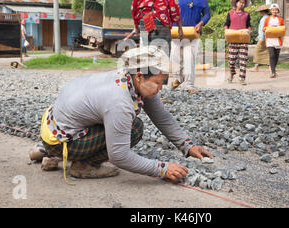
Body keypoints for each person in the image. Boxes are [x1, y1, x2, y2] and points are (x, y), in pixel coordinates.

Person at [29, 46, 213, 184]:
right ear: (140, 76)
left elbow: (161, 116)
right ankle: (81, 166)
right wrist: (162, 169)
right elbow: (119, 155)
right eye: (158, 82)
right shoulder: (119, 101)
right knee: (134, 129)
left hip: (54, 128)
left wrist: (187, 146)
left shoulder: (128, 77)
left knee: (114, 125)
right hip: (62, 138)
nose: (161, 88)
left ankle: (48, 152)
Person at [170, 0, 211, 94]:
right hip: (177, 32)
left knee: (189, 59)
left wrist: (201, 23)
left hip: (193, 33)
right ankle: (177, 78)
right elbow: (171, 10)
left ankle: (189, 84)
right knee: (175, 57)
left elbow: (207, 14)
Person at [224, 0, 252, 85]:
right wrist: (226, 30)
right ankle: (232, 73)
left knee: (243, 60)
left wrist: (249, 30)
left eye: (243, 3)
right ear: (236, 3)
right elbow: (226, 24)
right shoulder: (230, 13)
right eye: (240, 2)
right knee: (231, 60)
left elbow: (248, 25)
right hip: (233, 39)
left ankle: (242, 79)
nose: (242, 4)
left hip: (243, 40)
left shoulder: (246, 14)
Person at [263, 3, 285, 79]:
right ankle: (273, 72)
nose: (274, 11)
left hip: (277, 40)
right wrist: (266, 29)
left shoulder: (280, 19)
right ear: (271, 11)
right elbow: (263, 28)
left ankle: (273, 68)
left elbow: (282, 28)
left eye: (276, 10)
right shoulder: (267, 19)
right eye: (273, 10)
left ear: (278, 11)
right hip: (269, 40)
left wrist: (278, 29)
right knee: (271, 55)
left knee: (276, 56)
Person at [252, 5, 270, 72]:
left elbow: (263, 29)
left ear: (262, 12)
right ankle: (270, 67)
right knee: (268, 52)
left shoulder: (264, 19)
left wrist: (260, 38)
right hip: (268, 38)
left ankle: (256, 67)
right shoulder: (268, 18)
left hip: (263, 38)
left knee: (257, 51)